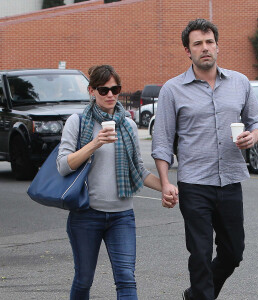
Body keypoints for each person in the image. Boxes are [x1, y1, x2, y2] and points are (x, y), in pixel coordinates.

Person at [152, 19, 258, 300]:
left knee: (233, 252)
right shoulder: (172, 89)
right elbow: (163, 141)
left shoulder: (240, 82)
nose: (205, 48)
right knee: (201, 254)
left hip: (230, 180)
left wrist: (254, 137)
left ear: (217, 46)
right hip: (194, 184)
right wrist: (166, 182)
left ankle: (195, 296)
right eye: (197, 44)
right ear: (187, 51)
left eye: (209, 42)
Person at [57, 64, 177, 300]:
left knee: (126, 279)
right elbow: (63, 165)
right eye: (103, 90)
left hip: (122, 215)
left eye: (115, 89)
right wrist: (95, 143)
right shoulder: (77, 122)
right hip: (85, 214)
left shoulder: (128, 125)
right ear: (92, 91)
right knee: (83, 279)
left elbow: (139, 171)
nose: (110, 95)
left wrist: (166, 187)